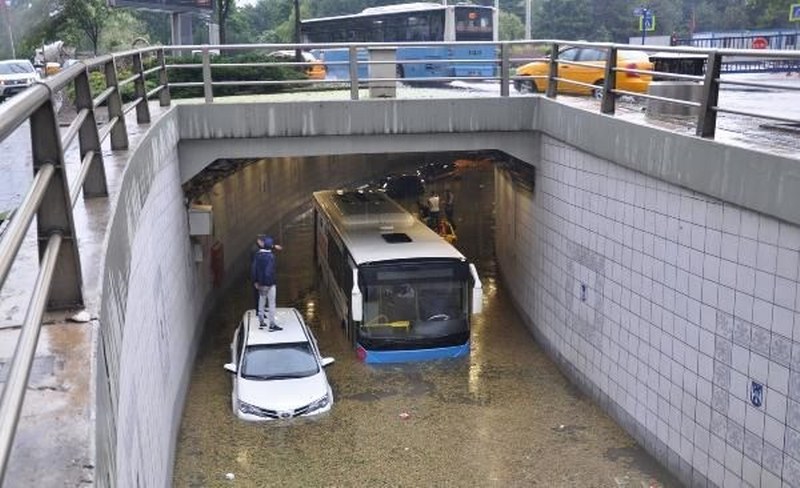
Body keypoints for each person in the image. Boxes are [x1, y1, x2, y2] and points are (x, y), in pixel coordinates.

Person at [250, 235, 283, 331]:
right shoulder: (271, 256)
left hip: (260, 283)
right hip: (270, 283)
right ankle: (272, 324)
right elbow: (269, 271)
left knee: (262, 300)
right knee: (272, 303)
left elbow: (254, 269)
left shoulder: (257, 255)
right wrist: (269, 282)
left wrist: (256, 281)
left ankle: (261, 320)